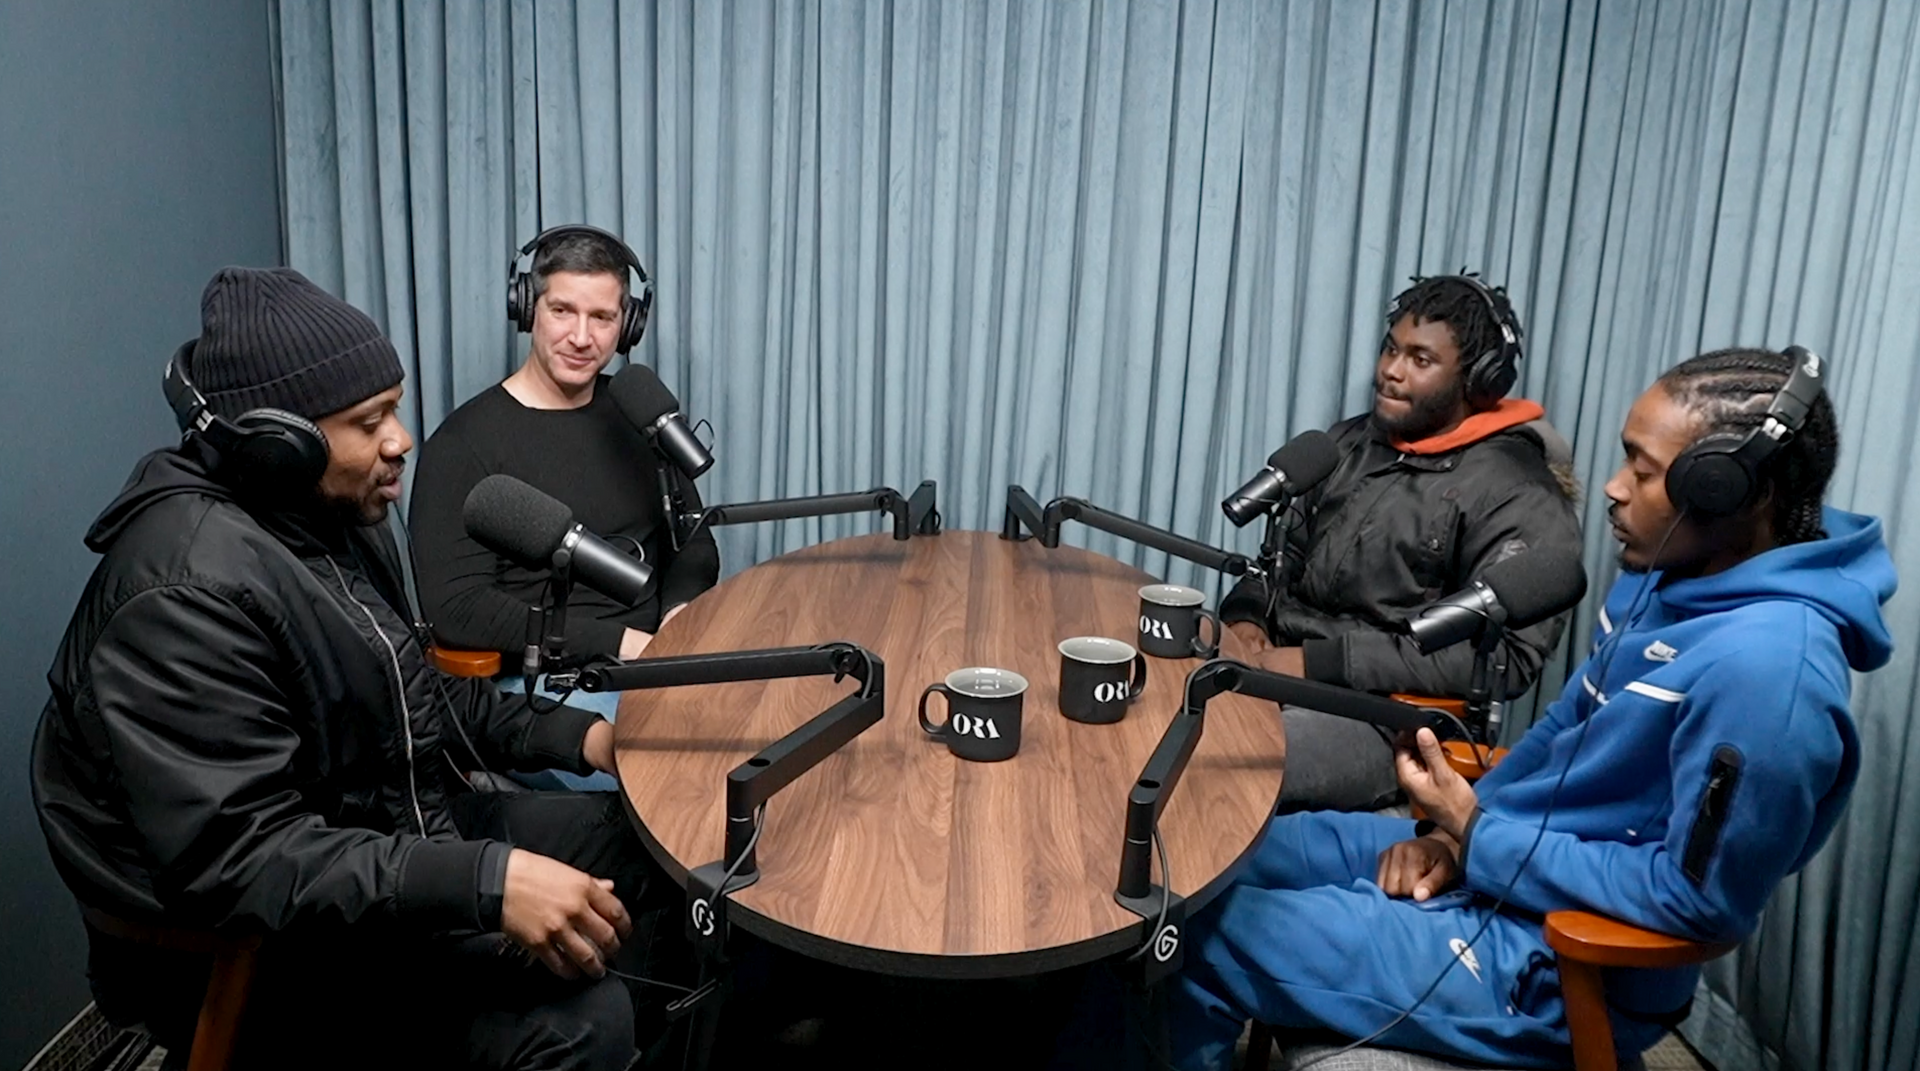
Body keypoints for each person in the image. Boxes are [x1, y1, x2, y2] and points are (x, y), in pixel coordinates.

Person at [31, 268, 685, 1070]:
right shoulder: (182, 594)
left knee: (646, 847)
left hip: (381, 835)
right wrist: (487, 882)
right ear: (277, 445)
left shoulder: (334, 511)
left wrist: (586, 738)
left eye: (395, 407)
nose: (400, 437)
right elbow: (246, 858)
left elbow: (409, 688)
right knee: (580, 1019)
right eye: (368, 419)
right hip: (259, 942)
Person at [1169, 347, 1893, 1069]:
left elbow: (1698, 903)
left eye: (1643, 471)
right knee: (1207, 853)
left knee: (1186, 939)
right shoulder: (1667, 580)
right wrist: (1457, 842)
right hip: (1496, 870)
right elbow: (1560, 738)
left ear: (1730, 489)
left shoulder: (1770, 675)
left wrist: (1480, 836)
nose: (1612, 488)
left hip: (1550, 964)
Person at [1221, 273, 1583, 811]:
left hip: (1385, 717)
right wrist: (1247, 619)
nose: (1391, 371)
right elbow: (1278, 557)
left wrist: (1318, 663)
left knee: (1222, 761)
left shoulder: (1519, 493)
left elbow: (1504, 656)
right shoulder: (1347, 443)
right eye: (1391, 349)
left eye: (1420, 359)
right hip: (1278, 671)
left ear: (1477, 381)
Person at [410, 225, 719, 669]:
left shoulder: (639, 414)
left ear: (628, 326)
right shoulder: (462, 444)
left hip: (657, 658)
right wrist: (619, 642)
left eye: (602, 317)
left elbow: (692, 539)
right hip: (549, 684)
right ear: (527, 309)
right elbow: (458, 609)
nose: (580, 337)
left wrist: (679, 614)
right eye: (562, 311)